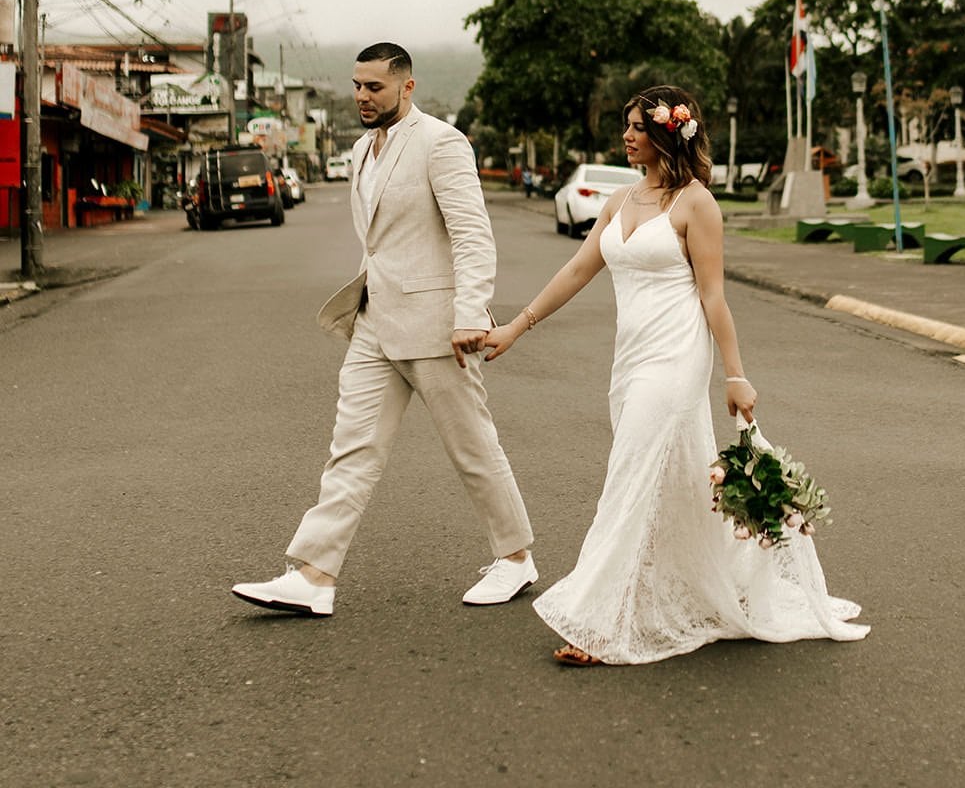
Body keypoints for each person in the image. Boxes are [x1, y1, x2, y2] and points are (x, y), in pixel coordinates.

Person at [482, 85, 869, 665]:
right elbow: (578, 269)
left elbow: (714, 297)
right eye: (626, 125)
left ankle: (600, 622)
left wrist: (735, 376)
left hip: (677, 357)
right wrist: (517, 326)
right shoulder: (619, 200)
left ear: (667, 132)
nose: (627, 135)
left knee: (629, 477)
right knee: (673, 480)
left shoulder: (696, 204)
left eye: (638, 126)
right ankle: (708, 587)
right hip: (631, 359)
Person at [232, 42, 535, 617]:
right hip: (374, 320)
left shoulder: (441, 143)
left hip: (437, 324)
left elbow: (472, 236)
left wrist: (471, 314)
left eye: (374, 87)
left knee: (471, 447)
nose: (362, 97)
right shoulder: (361, 149)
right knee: (351, 448)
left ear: (407, 86)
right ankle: (314, 576)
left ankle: (516, 559)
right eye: (357, 86)